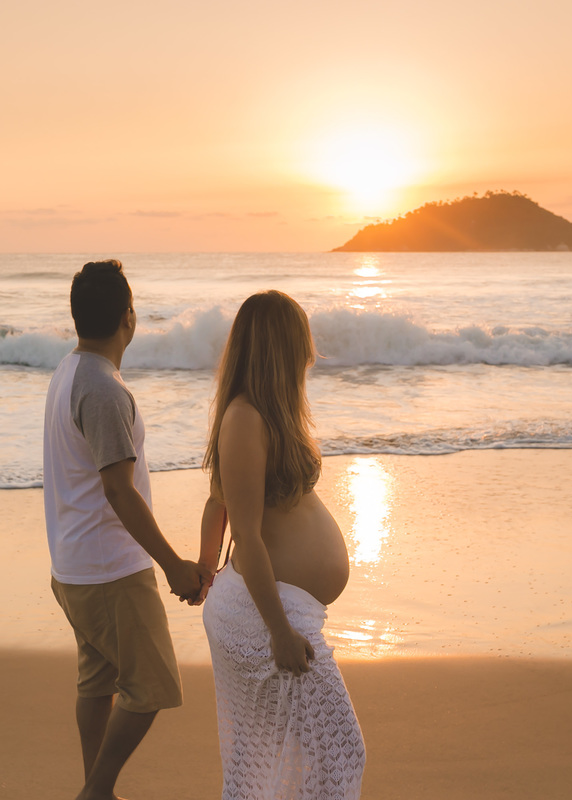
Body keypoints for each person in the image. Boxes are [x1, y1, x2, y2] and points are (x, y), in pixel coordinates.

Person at [43, 259, 210, 800]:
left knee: (97, 681)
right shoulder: (103, 389)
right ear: (128, 318)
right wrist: (174, 564)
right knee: (153, 686)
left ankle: (97, 789)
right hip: (110, 570)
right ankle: (96, 791)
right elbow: (118, 490)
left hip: (74, 566)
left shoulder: (68, 373)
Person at [199, 290, 366, 800]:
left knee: (277, 764)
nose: (309, 356)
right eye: (302, 344)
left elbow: (217, 502)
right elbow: (246, 534)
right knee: (339, 752)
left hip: (277, 609)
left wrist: (205, 567)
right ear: (281, 347)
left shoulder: (272, 415)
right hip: (264, 616)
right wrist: (279, 631)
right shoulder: (245, 419)